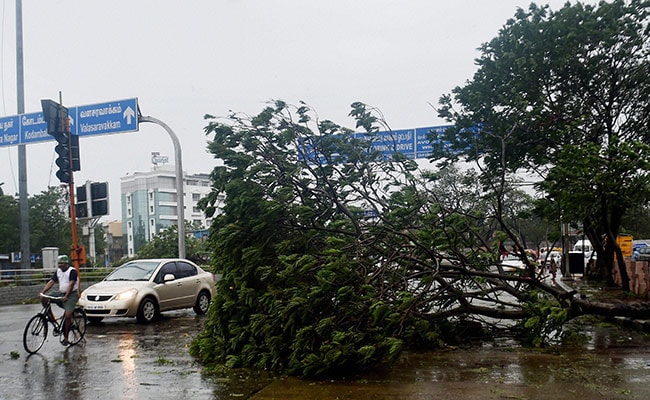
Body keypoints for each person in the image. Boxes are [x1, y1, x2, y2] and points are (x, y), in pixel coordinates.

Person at [40, 255, 79, 346]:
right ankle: (51, 317)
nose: (60, 265)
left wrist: (66, 296)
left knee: (68, 315)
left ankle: (66, 338)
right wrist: (43, 291)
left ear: (66, 263)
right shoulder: (58, 271)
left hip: (71, 295)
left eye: (62, 263)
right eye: (59, 263)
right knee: (44, 298)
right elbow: (51, 282)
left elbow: (71, 284)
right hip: (61, 293)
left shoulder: (72, 271)